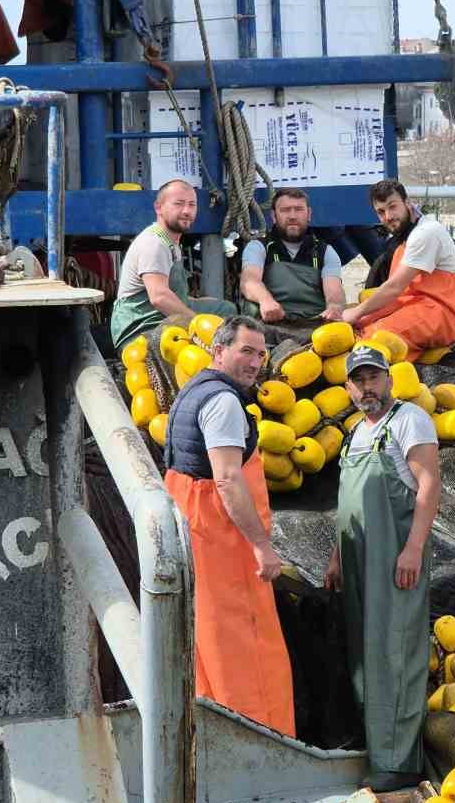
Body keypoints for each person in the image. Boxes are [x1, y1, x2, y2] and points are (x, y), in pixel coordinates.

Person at [163, 315, 296, 736]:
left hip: (196, 531)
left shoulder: (192, 391)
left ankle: (213, 744)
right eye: (245, 351)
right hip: (225, 543)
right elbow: (226, 478)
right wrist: (261, 546)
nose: (255, 362)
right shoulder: (222, 403)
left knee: (210, 651)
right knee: (248, 659)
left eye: (260, 354)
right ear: (218, 350)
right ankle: (264, 746)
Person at [323, 344, 441, 792]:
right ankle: (377, 747)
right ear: (348, 387)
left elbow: (429, 484)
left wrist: (413, 548)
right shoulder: (355, 432)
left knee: (396, 649)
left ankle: (399, 761)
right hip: (356, 560)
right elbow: (345, 505)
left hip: (394, 556)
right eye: (359, 380)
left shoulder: (409, 421)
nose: (367, 387)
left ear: (390, 379)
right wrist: (336, 557)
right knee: (365, 652)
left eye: (374, 377)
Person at [341, 180, 455, 361]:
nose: (388, 216)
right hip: (416, 305)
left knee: (371, 342)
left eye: (392, 207)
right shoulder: (404, 239)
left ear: (408, 203)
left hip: (441, 314)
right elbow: (402, 294)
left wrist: (356, 312)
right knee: (359, 327)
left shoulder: (425, 233)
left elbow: (394, 287)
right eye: (381, 212)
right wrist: (363, 318)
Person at [109, 179, 237, 348]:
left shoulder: (171, 243)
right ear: (158, 207)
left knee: (224, 310)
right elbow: (159, 297)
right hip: (141, 329)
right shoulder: (154, 243)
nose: (186, 211)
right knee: (214, 333)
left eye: (192, 205)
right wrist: (198, 324)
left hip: (162, 317)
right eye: (179, 204)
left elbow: (172, 293)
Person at [238, 188, 346, 323]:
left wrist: (334, 307)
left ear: (309, 214)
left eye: (299, 209)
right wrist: (265, 300)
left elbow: (334, 289)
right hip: (270, 323)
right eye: (285, 210)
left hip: (314, 324)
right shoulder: (258, 247)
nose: (292, 216)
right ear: (273, 216)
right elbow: (249, 281)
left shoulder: (326, 252)